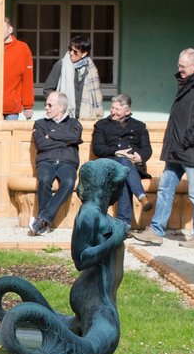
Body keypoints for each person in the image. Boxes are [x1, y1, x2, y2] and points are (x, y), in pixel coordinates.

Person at [135, 47, 194, 246]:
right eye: (178, 65)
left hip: (191, 150)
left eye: (183, 66)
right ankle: (156, 231)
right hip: (177, 149)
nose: (179, 69)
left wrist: (186, 142)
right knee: (165, 188)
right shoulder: (186, 83)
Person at [89, 92, 152, 225]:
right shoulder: (101, 125)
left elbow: (147, 149)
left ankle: (124, 224)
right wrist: (117, 152)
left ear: (128, 111)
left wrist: (139, 157)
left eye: (117, 109)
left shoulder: (139, 126)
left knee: (123, 175)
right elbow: (98, 148)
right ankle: (142, 197)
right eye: (112, 108)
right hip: (110, 165)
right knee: (123, 165)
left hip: (135, 167)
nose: (113, 112)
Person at [28, 88, 83, 236]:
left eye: (50, 105)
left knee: (69, 182)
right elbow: (41, 144)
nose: (46, 108)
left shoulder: (74, 123)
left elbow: (75, 138)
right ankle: (44, 222)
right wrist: (65, 140)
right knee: (44, 180)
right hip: (46, 160)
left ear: (61, 107)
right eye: (46, 105)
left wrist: (51, 136)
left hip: (67, 162)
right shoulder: (40, 123)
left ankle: (43, 218)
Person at [44, 33, 103, 124]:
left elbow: (96, 95)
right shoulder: (61, 65)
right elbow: (48, 89)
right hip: (63, 117)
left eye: (75, 51)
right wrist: (56, 104)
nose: (71, 53)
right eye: (70, 49)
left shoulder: (91, 69)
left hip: (84, 118)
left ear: (84, 53)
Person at [2, 19, 35, 121]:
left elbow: (27, 79)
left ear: (10, 29)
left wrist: (28, 105)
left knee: (9, 137)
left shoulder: (22, 48)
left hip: (11, 108)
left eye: (1, 28)